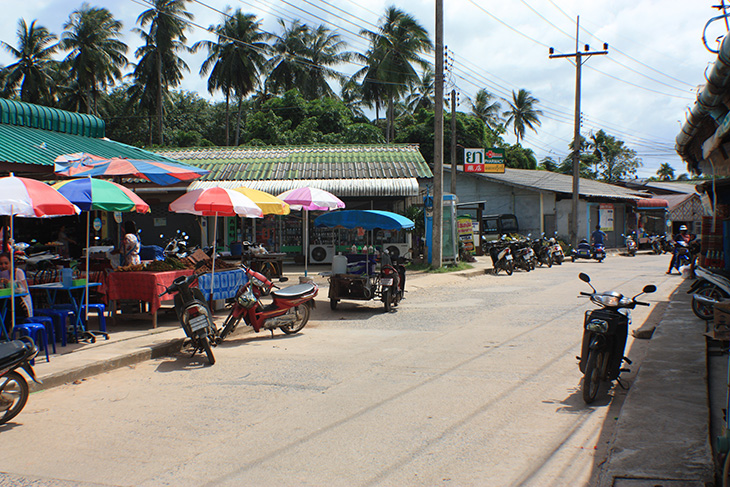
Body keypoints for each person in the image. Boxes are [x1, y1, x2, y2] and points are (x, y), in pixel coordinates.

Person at [0, 253, 32, 334]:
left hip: (21, 304)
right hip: (8, 304)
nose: (3, 266)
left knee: (5, 305)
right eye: (1, 264)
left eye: (6, 263)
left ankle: (6, 333)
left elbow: (24, 292)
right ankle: (5, 333)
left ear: (11, 263)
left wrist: (10, 283)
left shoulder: (18, 272)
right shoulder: (1, 274)